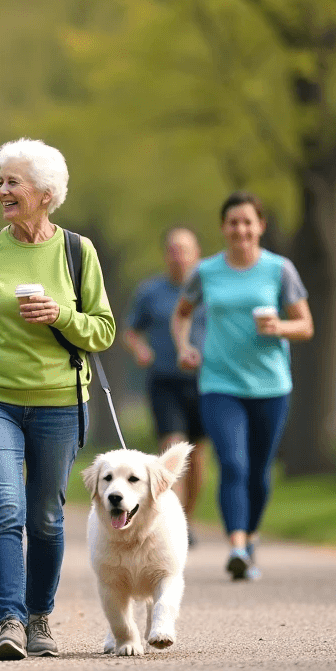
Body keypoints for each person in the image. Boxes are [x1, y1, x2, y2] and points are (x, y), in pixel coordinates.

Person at [0, 138, 115, 660]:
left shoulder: (77, 251)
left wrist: (61, 317)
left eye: (13, 182)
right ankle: (9, 620)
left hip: (59, 402)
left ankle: (40, 618)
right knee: (5, 508)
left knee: (46, 514)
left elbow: (103, 331)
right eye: (1, 181)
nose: (1, 190)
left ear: (45, 194)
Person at [171, 191, 313, 582]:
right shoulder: (206, 272)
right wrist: (185, 346)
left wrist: (280, 327)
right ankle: (235, 546)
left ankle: (250, 539)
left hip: (271, 385)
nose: (241, 229)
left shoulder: (279, 269)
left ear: (260, 226)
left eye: (248, 221)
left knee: (259, 471)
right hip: (219, 383)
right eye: (233, 222)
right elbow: (181, 314)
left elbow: (306, 324)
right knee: (233, 463)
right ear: (223, 228)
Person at [122, 226, 210, 548]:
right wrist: (140, 351)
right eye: (172, 249)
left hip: (203, 381)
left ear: (197, 253)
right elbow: (131, 332)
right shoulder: (150, 291)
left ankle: (188, 518)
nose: (178, 255)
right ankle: (175, 526)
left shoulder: (209, 290)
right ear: (165, 255)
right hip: (163, 381)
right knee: (173, 450)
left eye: (184, 249)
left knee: (198, 455)